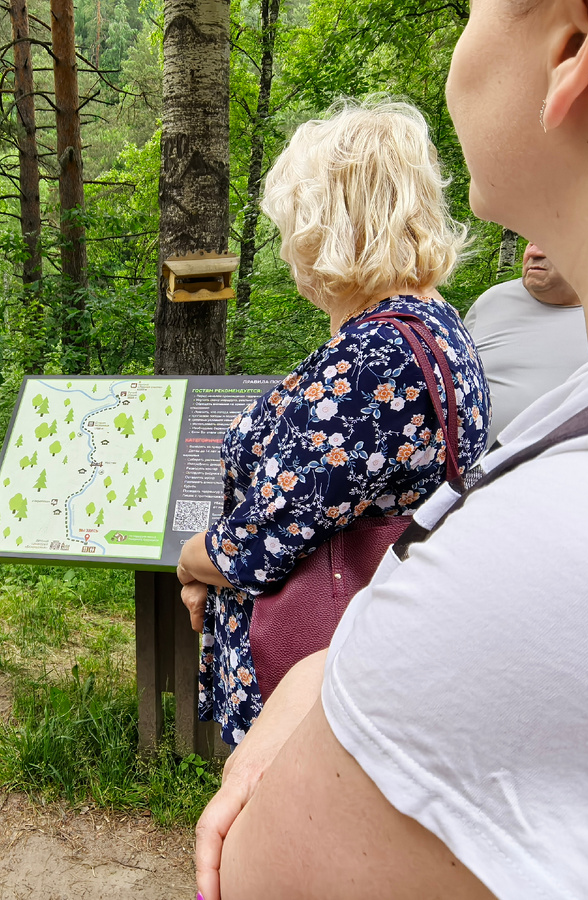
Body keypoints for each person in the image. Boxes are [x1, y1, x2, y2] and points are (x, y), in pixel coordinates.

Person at [194, 1, 588, 898]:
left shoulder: (568, 543)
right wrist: (331, 674)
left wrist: (238, 601)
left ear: (580, 38)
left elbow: (248, 871)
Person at [175, 98, 490, 747]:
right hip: (376, 656)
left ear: (327, 226)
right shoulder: (432, 328)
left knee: (273, 809)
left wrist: (191, 560)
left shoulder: (377, 359)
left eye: (294, 224)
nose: (289, 247)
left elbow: (266, 539)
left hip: (317, 694)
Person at [464, 242, 588, 443]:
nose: (534, 252)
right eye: (531, 241)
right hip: (474, 461)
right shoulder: (491, 301)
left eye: (548, 240)